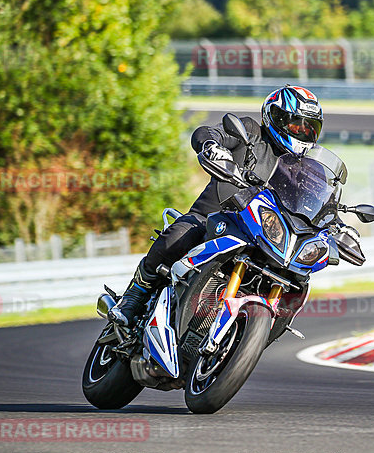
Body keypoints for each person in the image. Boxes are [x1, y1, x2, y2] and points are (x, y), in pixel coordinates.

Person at [107, 85, 327, 327]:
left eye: (309, 127)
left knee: (295, 278)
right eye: (296, 124)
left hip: (262, 237)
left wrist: (336, 223)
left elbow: (319, 201)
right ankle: (134, 296)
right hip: (213, 219)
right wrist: (212, 146)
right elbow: (206, 132)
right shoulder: (251, 132)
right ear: (275, 116)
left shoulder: (303, 169)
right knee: (179, 233)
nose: (301, 131)